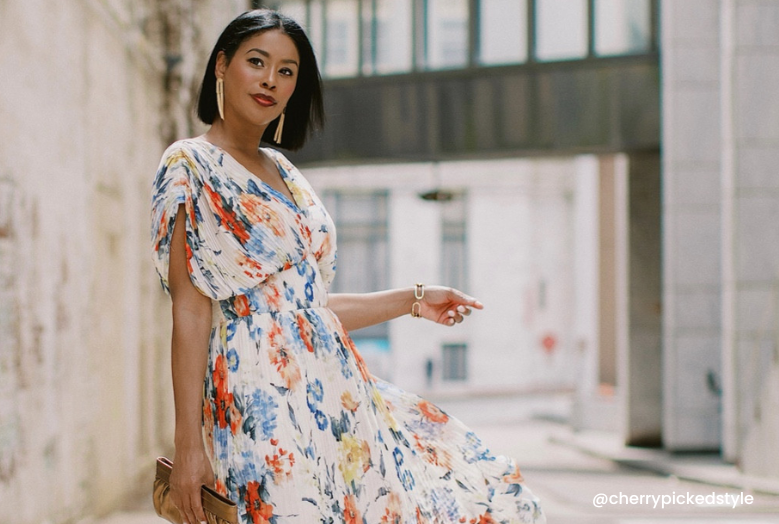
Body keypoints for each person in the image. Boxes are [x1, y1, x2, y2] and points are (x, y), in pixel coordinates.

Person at [149, 9, 545, 524]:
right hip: (257, 403)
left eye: (287, 71)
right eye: (257, 61)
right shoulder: (188, 165)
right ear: (222, 66)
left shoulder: (287, 174)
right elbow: (191, 311)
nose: (271, 79)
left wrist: (415, 299)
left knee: (457, 492)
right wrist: (188, 444)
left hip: (335, 397)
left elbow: (306, 311)